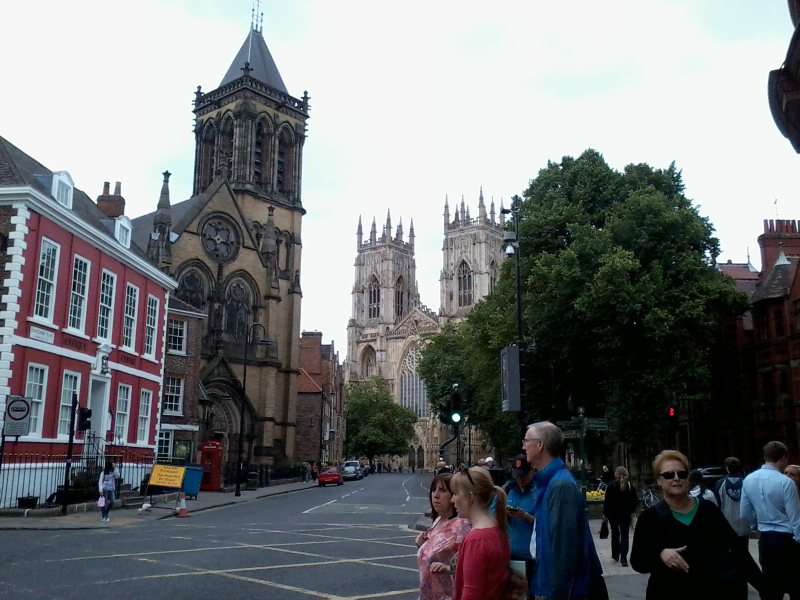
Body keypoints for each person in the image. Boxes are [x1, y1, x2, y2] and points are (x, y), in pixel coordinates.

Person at [630, 450, 763, 600]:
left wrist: (764, 587)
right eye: (669, 475)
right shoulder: (650, 517)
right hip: (667, 592)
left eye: (682, 474)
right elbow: (638, 562)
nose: (676, 479)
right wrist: (661, 553)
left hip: (709, 591)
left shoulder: (708, 510)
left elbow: (738, 550)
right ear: (658, 480)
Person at [523, 421, 605, 600]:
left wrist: (553, 593)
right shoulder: (550, 482)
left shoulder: (560, 485)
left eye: (526, 441)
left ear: (540, 445)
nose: (523, 447)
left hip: (570, 592)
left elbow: (563, 548)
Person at [741, 441, 800, 600]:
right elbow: (795, 516)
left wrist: (756, 525)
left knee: (771, 584)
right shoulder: (785, 482)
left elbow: (745, 512)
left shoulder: (748, 480)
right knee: (795, 583)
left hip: (765, 537)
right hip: (786, 538)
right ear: (783, 458)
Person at [450, 466, 510, 600]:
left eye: (455, 493)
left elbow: (471, 594)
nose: (452, 500)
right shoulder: (497, 529)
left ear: (470, 497)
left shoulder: (476, 540)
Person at [416, 473, 472, 600]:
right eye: (434, 490)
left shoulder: (461, 525)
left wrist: (449, 568)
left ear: (454, 495)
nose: (435, 495)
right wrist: (422, 545)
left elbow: (470, 565)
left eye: (442, 490)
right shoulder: (438, 520)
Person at [503, 455, 537, 588]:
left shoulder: (539, 492)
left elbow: (546, 522)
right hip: (510, 554)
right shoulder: (507, 490)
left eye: (523, 475)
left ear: (532, 471)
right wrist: (503, 513)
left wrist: (526, 516)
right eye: (517, 476)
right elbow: (493, 513)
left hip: (530, 556)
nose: (520, 480)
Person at [603, 466, 638, 567]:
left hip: (613, 514)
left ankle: (615, 554)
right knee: (624, 535)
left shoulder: (611, 485)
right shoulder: (630, 486)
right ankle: (624, 558)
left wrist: (605, 513)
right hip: (625, 514)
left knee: (615, 533)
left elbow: (607, 501)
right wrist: (631, 510)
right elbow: (635, 500)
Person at [714, 457, 750, 554]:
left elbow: (717, 504)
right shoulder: (746, 483)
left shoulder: (720, 483)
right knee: (744, 553)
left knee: (730, 554)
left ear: (727, 468)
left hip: (727, 522)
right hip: (744, 523)